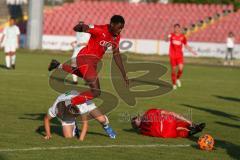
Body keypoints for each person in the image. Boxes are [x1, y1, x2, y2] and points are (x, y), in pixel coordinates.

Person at [48, 15, 129, 110]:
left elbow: (116, 54)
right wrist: (80, 27)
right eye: (119, 28)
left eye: (121, 28)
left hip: (93, 63)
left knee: (83, 75)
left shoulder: (116, 36)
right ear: (112, 24)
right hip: (84, 59)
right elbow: (83, 27)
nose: (120, 30)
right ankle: (67, 104)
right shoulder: (100, 29)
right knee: (96, 92)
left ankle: (58, 65)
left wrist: (124, 74)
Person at [44, 90, 116, 141]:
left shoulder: (82, 106)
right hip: (69, 102)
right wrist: (48, 134)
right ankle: (74, 127)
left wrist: (81, 140)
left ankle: (106, 127)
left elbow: (85, 124)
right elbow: (46, 119)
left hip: (83, 100)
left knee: (102, 119)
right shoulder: (56, 107)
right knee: (68, 137)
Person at [131, 108, 205, 138]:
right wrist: (189, 121)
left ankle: (191, 131)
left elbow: (138, 127)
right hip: (168, 122)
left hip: (165, 134)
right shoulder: (149, 112)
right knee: (179, 123)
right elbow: (171, 113)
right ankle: (192, 126)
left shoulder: (142, 132)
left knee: (180, 132)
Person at [168, 24, 197, 90]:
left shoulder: (182, 36)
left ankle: (178, 79)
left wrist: (192, 51)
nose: (176, 29)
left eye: (178, 28)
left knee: (181, 69)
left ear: (179, 29)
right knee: (173, 70)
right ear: (174, 28)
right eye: (175, 28)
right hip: (172, 55)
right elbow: (165, 40)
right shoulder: (171, 35)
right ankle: (174, 84)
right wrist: (167, 36)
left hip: (179, 55)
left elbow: (186, 45)